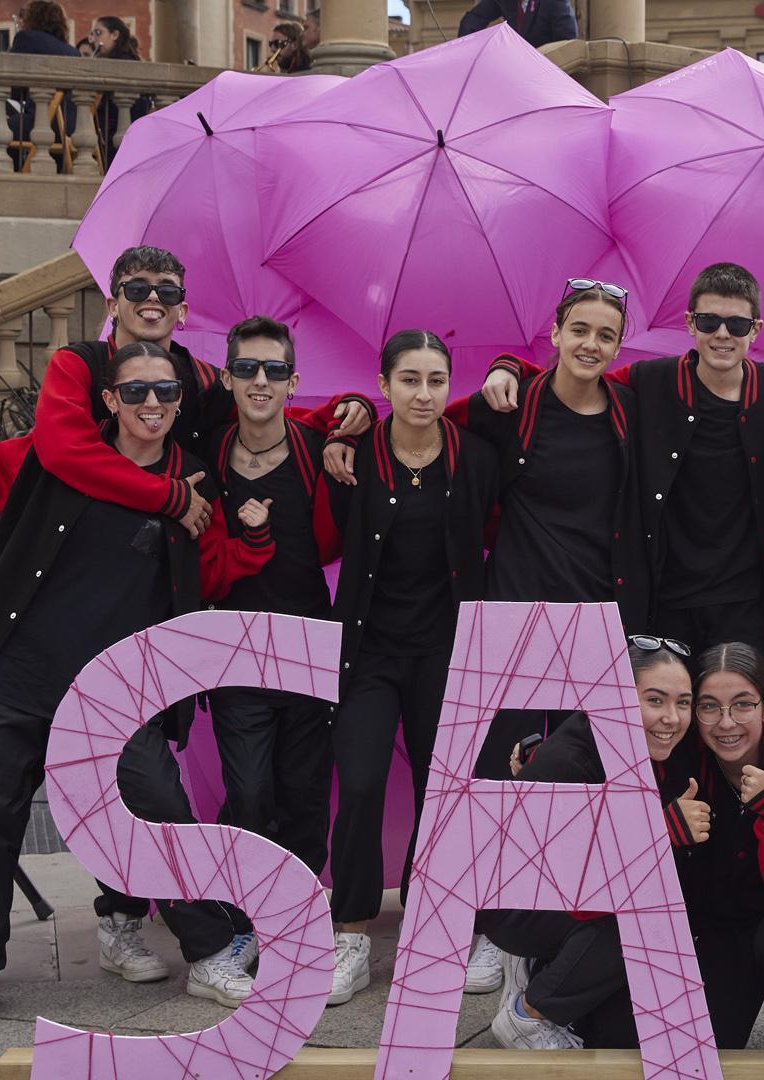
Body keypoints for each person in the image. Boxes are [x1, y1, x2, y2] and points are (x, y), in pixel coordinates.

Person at [0, 342, 276, 1028]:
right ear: (108, 400)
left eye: (165, 391)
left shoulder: (194, 480)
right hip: (16, 673)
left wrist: (253, 542)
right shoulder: (54, 458)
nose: (151, 403)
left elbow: (209, 573)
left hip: (114, 692)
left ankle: (207, 954)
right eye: (134, 391)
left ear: (180, 401)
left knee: (161, 810)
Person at [444, 278, 650, 991]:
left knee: (574, 779)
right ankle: (487, 926)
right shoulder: (514, 404)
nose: (591, 343)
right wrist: (343, 432)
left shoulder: (628, 410)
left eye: (606, 335)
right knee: (495, 775)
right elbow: (427, 425)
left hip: (599, 619)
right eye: (579, 329)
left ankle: (547, 922)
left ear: (618, 347)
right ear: (555, 333)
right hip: (514, 612)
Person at [476, 264, 764, 661]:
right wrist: (509, 366)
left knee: (740, 700)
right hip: (663, 600)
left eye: (736, 324)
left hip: (744, 602)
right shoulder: (651, 382)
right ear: (690, 323)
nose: (722, 333)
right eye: (709, 321)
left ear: (755, 329)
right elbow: (577, 381)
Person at [324, 330, 500, 1007]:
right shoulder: (354, 455)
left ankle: (438, 927)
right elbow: (289, 425)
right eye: (409, 379)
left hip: (448, 653)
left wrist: (508, 366)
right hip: (369, 652)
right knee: (361, 784)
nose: (424, 394)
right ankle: (350, 934)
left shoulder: (475, 456)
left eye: (436, 380)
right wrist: (338, 426)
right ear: (384, 384)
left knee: (445, 793)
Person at [25, 245, 371, 542]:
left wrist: (343, 415)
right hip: (79, 539)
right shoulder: (77, 365)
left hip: (167, 553)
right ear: (113, 306)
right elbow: (63, 449)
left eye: (167, 291)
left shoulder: (203, 381)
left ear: (182, 311)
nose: (153, 298)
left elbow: (266, 416)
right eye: (137, 288)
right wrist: (168, 496)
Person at [486, 636, 705, 1051]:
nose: (672, 718)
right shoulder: (570, 759)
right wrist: (665, 831)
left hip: (569, 894)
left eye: (684, 702)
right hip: (520, 904)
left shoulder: (640, 743)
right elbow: (578, 877)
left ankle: (538, 970)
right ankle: (528, 1016)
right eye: (654, 700)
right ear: (615, 696)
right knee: (646, 914)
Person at [205, 317, 341, 882]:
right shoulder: (207, 456)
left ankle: (297, 908)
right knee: (250, 793)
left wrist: (353, 414)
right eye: (246, 368)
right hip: (235, 653)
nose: (260, 380)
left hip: (307, 645)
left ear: (292, 382)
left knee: (305, 795)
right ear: (227, 379)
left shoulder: (319, 452)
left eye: (275, 370)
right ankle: (244, 904)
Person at [674, 643, 764, 1047]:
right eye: (709, 707)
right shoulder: (680, 754)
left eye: (742, 705)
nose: (725, 723)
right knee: (702, 1045)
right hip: (714, 922)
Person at [5, 2, 81, 173]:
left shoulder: (26, 38)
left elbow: (13, 89)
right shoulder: (72, 51)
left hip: (41, 124)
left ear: (33, 18)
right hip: (71, 129)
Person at [88, 17, 150, 172]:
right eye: (93, 34)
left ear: (114, 35)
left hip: (118, 130)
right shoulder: (123, 59)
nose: (94, 40)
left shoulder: (121, 62)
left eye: (99, 33)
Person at [456, 0, 578, 47]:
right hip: (517, 69)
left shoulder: (555, 2)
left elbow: (566, 43)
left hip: (548, 70)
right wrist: (466, 49)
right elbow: (473, 19)